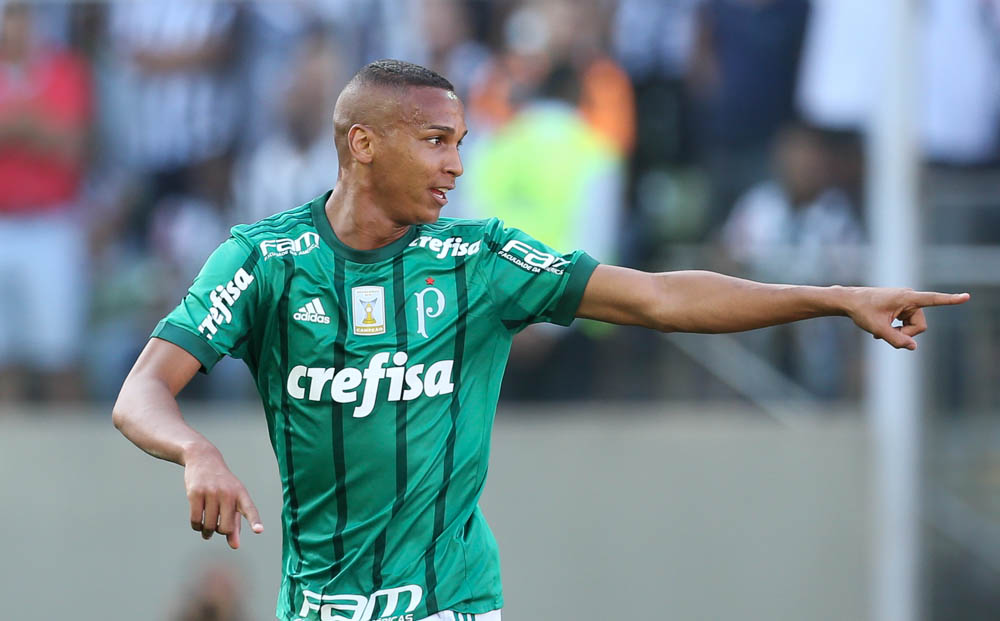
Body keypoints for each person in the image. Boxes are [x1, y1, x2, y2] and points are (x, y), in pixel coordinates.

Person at [112, 60, 969, 621]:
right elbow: (141, 391)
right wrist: (195, 450)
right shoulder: (266, 260)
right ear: (363, 144)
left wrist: (833, 298)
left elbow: (659, 297)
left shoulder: (480, 260)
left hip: (451, 600)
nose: (456, 165)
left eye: (460, 143)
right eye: (436, 141)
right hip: (318, 605)